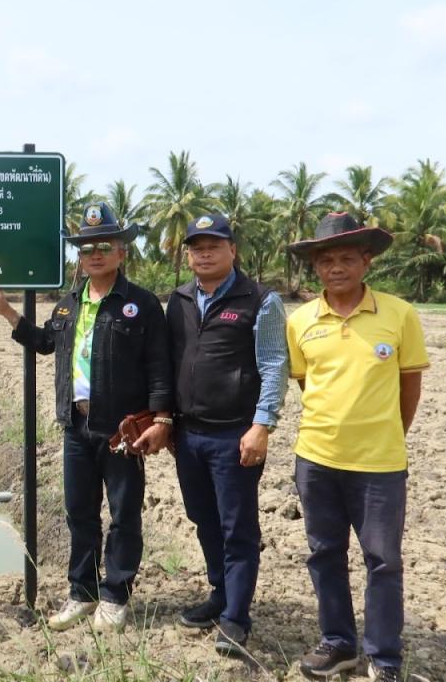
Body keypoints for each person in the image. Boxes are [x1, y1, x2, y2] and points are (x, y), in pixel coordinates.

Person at [0, 203, 173, 633]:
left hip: (121, 429)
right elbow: (47, 343)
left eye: (104, 246)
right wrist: (8, 312)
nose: (95, 254)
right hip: (76, 425)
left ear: (121, 252)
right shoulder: (69, 305)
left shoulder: (140, 304)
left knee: (124, 513)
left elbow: (160, 366)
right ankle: (82, 593)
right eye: (87, 248)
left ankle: (115, 595)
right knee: (78, 513)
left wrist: (163, 418)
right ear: (79, 256)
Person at [286, 212, 428, 681]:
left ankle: (384, 658)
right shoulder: (301, 320)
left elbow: (409, 390)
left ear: (366, 261)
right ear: (315, 268)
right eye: (325, 260)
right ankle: (339, 643)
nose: (336, 268)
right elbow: (309, 385)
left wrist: (385, 433)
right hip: (317, 459)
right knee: (325, 553)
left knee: (383, 560)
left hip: (380, 465)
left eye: (347, 257)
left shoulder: (398, 314)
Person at [165, 213, 288, 656]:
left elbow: (275, 363)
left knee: (237, 527)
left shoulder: (259, 299)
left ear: (232, 249)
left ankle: (237, 617)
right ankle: (218, 593)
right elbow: (169, 361)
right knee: (204, 520)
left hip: (235, 435)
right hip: (188, 435)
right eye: (196, 247)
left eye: (213, 244)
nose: (204, 253)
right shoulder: (178, 299)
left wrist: (262, 425)